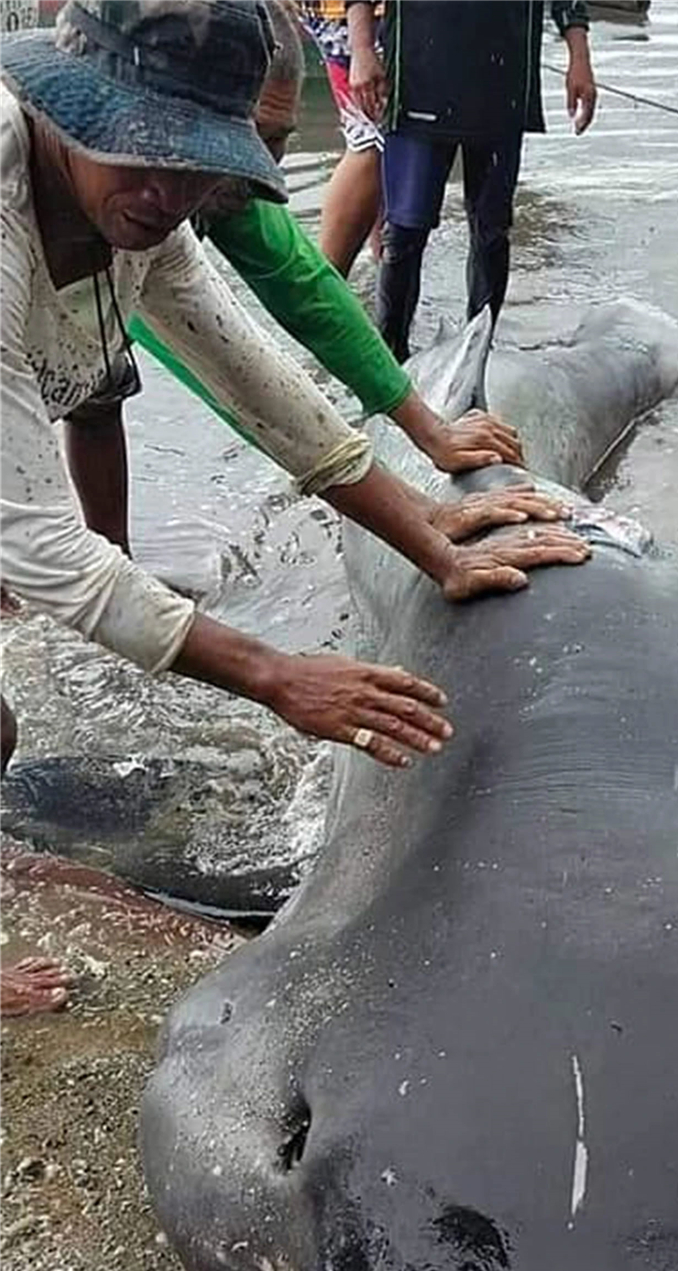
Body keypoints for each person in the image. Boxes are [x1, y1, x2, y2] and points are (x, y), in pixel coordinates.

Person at [0, 0, 587, 1016]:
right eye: (138, 152)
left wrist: (426, 530)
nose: (164, 190)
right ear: (64, 108)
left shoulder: (142, 214)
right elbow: (40, 542)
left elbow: (253, 374)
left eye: (192, 163)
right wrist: (273, 674)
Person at [129, 0, 560, 502]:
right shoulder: (86, 202)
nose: (266, 168)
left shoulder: (224, 191)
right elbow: (235, 374)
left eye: (279, 140)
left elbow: (308, 291)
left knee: (100, 394)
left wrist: (426, 432)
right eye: (253, 135)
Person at [346, 0, 598, 362]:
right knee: (403, 231)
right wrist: (362, 49)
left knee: (492, 231)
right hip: (418, 77)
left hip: (503, 82)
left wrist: (580, 57)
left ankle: (480, 355)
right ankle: (389, 362)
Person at [297, 0, 384, 274]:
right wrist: (362, 47)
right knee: (370, 141)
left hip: (353, 14)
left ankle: (384, 264)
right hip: (356, 15)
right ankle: (324, 289)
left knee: (385, 143)